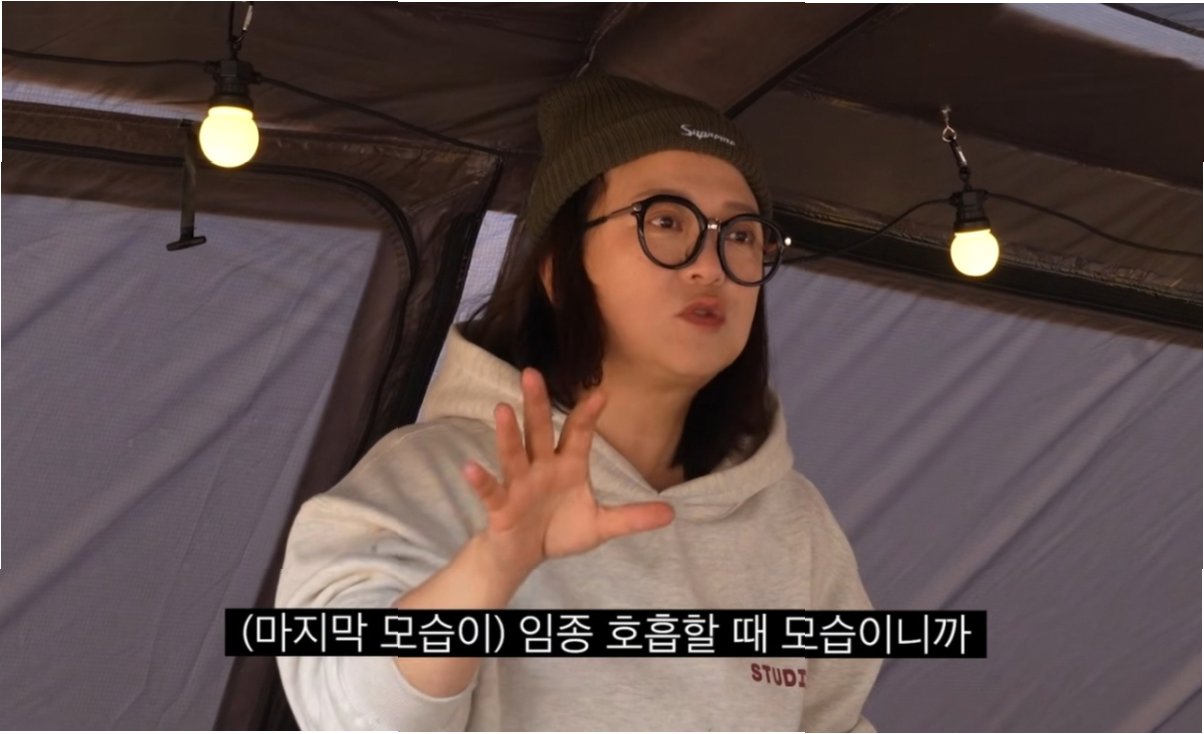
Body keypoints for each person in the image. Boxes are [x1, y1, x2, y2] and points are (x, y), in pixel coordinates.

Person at [275, 74, 881, 731]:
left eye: (740, 234)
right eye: (666, 221)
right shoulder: (434, 476)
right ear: (559, 270)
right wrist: (493, 567)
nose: (710, 265)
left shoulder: (793, 522)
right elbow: (351, 710)